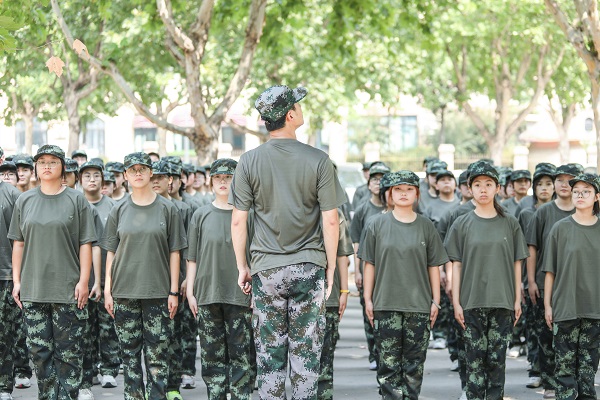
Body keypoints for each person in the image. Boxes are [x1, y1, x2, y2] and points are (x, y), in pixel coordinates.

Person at [230, 85, 346, 399]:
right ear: (290, 115)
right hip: (309, 266)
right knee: (306, 355)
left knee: (270, 356)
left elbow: (238, 220)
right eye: (298, 105)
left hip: (266, 269)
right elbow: (331, 220)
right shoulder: (319, 160)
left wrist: (243, 266)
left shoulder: (248, 161)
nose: (301, 109)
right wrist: (330, 269)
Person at [9, 144, 96, 400]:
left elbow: (86, 243)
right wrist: (17, 281)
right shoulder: (25, 200)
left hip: (67, 290)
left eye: (53, 162)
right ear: (36, 167)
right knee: (40, 353)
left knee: (68, 353)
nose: (47, 166)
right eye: (42, 162)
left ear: (63, 167)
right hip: (34, 289)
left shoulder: (76, 200)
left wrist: (83, 281)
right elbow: (18, 243)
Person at [102, 152, 187, 399]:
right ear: (125, 175)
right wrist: (108, 290)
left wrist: (173, 291)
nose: (138, 174)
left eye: (142, 169)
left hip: (158, 292)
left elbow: (175, 252)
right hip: (124, 291)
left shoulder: (168, 209)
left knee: (158, 356)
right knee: (129, 356)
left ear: (151, 173)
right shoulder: (118, 210)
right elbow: (111, 252)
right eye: (132, 170)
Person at [445, 160, 528, 400]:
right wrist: (457, 302)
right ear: (469, 188)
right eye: (478, 184)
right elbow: (456, 265)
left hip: (502, 301)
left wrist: (516, 299)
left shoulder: (510, 222)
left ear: (497, 188)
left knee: (496, 361)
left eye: (488, 184)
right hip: (471, 302)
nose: (483, 189)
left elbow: (517, 262)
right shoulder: (462, 223)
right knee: (474, 361)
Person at [362, 170, 448, 399]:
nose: (403, 193)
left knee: (414, 366)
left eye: (409, 189)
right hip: (385, 304)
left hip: (418, 306)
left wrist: (436, 300)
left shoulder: (426, 226)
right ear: (390, 194)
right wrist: (368, 299)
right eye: (398, 189)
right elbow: (369, 263)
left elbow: (433, 265)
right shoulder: (376, 225)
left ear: (417, 194)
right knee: (388, 367)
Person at [186, 158, 255, 400]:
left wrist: (256, 291)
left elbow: (256, 256)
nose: (223, 182)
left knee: (241, 355)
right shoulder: (200, 215)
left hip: (240, 294)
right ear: (211, 181)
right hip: (208, 293)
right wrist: (190, 291)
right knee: (211, 357)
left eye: (228, 177)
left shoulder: (248, 215)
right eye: (218, 177)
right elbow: (192, 257)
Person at [526, 163, 583, 399]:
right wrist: (531, 281)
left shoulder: (585, 211)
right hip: (544, 284)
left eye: (570, 180)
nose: (564, 184)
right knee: (546, 335)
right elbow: (532, 248)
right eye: (559, 180)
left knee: (576, 338)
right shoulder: (543, 213)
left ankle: (575, 382)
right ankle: (550, 383)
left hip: (577, 285)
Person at [543, 173, 600, 400]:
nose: (580, 195)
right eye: (576, 191)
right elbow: (550, 271)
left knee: (588, 371)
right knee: (564, 370)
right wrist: (548, 305)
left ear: (597, 197)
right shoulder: (560, 228)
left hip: (595, 309)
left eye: (586, 191)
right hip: (565, 307)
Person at [150, 159, 193, 400]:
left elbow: (188, 247)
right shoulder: (144, 207)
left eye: (160, 177)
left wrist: (187, 279)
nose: (155, 182)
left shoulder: (182, 209)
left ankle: (173, 385)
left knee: (175, 335)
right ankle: (155, 386)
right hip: (153, 281)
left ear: (170, 180)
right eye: (152, 177)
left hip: (178, 282)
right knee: (154, 340)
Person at [79, 161, 121, 390]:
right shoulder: (75, 203)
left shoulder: (114, 207)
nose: (92, 180)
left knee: (107, 328)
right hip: (82, 280)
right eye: (87, 176)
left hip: (108, 278)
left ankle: (109, 370)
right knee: (85, 329)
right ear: (80, 180)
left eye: (96, 175)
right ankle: (88, 370)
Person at [516, 162, 555, 389]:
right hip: (532, 278)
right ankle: (536, 368)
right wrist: (524, 280)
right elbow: (521, 248)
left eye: (549, 184)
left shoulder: (562, 211)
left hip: (556, 279)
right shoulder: (526, 213)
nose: (544, 188)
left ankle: (552, 371)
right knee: (533, 326)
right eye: (540, 184)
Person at [350, 162, 390, 370]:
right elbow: (357, 242)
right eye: (375, 179)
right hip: (368, 268)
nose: (378, 183)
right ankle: (374, 353)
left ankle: (387, 355)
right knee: (370, 313)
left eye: (383, 179)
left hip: (389, 270)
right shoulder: (363, 209)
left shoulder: (395, 208)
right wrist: (357, 271)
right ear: (368, 183)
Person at [317, 207, 353, 400]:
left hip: (328, 296)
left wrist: (344, 291)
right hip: (293, 296)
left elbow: (342, 255)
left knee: (325, 357)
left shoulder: (334, 213)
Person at [0, 149, 21, 400]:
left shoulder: (13, 195)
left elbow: (22, 240)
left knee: (3, 334)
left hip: (4, 275)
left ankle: (3, 385)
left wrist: (18, 277)